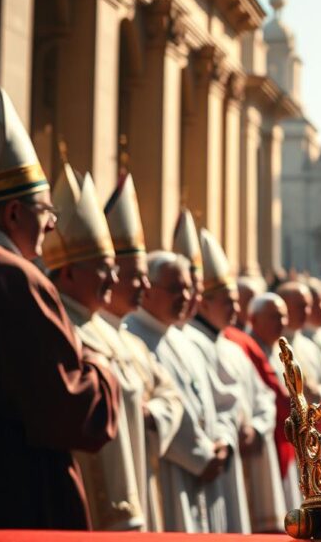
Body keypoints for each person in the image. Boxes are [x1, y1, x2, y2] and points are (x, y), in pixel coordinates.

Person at [0, 55, 119, 529]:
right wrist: (102, 369)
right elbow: (69, 410)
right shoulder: (13, 277)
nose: (52, 224)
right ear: (15, 214)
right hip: (5, 486)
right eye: (45, 212)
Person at [43, 163, 147, 531]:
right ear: (69, 272)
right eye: (105, 267)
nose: (115, 278)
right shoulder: (57, 327)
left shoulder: (107, 331)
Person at [125, 252, 232, 532]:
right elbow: (155, 409)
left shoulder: (186, 340)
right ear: (147, 290)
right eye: (175, 289)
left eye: (188, 288)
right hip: (170, 471)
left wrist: (222, 441)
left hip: (207, 465)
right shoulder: (132, 336)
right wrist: (202, 455)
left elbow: (211, 400)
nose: (186, 296)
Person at [101, 173, 184, 531]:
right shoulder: (88, 336)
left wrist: (152, 414)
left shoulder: (130, 341)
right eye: (136, 276)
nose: (144, 287)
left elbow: (171, 396)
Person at [190, 230, 284, 533]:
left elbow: (264, 396)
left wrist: (256, 427)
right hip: (220, 454)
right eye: (228, 302)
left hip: (248, 449)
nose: (236, 310)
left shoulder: (235, 347)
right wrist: (231, 435)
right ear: (204, 303)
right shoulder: (191, 344)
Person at [244, 292, 302, 510]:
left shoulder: (278, 349)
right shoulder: (248, 349)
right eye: (275, 317)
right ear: (254, 319)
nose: (282, 323)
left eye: (283, 317)